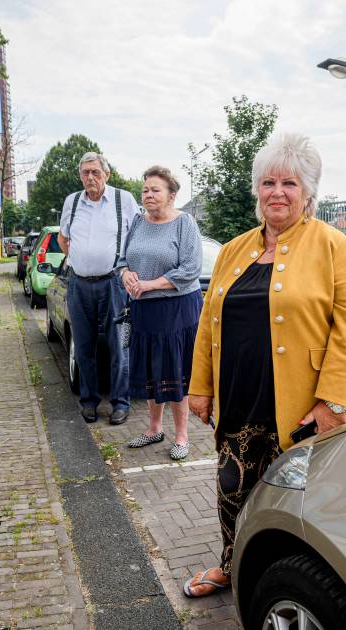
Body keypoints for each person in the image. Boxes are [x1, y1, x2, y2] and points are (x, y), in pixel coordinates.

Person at [183, 133, 346, 597]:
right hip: (239, 396)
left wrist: (333, 401)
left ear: (308, 192)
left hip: (302, 405)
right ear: (258, 190)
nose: (278, 192)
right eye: (268, 182)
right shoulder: (233, 250)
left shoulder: (336, 247)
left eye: (290, 183)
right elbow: (209, 322)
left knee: (296, 501)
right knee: (233, 486)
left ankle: (297, 585)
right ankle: (231, 564)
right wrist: (200, 386)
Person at [119, 166, 203, 461]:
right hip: (144, 309)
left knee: (176, 372)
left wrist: (150, 284)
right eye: (145, 190)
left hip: (177, 310)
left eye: (155, 190)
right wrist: (126, 274)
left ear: (171, 195)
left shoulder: (184, 223)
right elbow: (122, 259)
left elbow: (191, 268)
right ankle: (154, 428)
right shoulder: (137, 222)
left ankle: (181, 435)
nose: (148, 195)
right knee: (152, 370)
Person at [58, 152, 139, 425]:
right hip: (79, 283)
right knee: (83, 346)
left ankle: (120, 403)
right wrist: (79, 258)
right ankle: (89, 402)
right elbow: (63, 238)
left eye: (95, 172)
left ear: (107, 174)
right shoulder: (72, 201)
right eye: (85, 172)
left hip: (114, 283)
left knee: (119, 345)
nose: (90, 177)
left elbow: (137, 237)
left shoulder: (123, 199)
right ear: (80, 176)